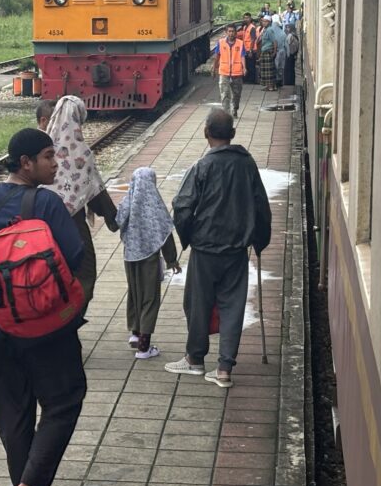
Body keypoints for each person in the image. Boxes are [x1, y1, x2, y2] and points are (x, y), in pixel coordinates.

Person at [0, 128, 86, 486]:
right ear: (26, 162)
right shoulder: (48, 204)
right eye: (49, 156)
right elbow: (74, 255)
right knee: (64, 401)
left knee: (13, 415)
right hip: (47, 328)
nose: (56, 163)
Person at [166, 109, 271, 388]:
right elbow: (261, 205)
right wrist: (260, 240)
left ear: (205, 133)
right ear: (233, 134)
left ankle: (195, 359)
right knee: (232, 306)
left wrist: (188, 237)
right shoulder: (247, 165)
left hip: (206, 248)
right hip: (236, 249)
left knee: (197, 303)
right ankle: (224, 369)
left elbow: (182, 206)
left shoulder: (202, 167)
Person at [46, 96, 119, 310]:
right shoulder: (80, 152)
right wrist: (114, 220)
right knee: (85, 272)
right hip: (73, 225)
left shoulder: (44, 146)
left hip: (43, 225)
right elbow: (94, 190)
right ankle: (72, 318)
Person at [118, 167, 181, 359]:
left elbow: (117, 221)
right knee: (150, 299)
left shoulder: (128, 201)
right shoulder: (155, 205)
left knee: (135, 295)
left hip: (130, 257)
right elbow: (165, 234)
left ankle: (135, 334)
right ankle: (144, 348)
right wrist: (171, 260)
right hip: (149, 259)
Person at [212, 24, 246, 118]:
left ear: (236, 33)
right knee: (225, 94)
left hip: (237, 72)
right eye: (229, 31)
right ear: (226, 32)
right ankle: (226, 113)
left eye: (233, 31)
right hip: (224, 72)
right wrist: (214, 68)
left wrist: (244, 67)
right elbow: (217, 56)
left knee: (236, 94)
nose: (231, 33)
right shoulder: (221, 42)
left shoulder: (240, 43)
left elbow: (242, 56)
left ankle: (235, 109)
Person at [237, 12, 259, 84]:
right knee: (246, 65)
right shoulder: (244, 27)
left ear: (250, 18)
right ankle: (246, 79)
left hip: (251, 50)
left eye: (247, 18)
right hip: (245, 49)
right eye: (245, 18)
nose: (246, 19)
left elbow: (252, 39)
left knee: (251, 65)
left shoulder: (252, 28)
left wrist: (250, 50)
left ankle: (251, 80)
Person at [258, 15, 277, 91]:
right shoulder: (265, 30)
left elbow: (274, 42)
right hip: (264, 51)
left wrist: (274, 52)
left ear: (269, 22)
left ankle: (270, 87)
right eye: (263, 21)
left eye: (265, 21)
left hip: (268, 52)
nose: (263, 23)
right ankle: (270, 85)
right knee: (266, 70)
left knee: (268, 70)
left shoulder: (269, 30)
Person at [269, 15, 287, 89]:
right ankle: (279, 81)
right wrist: (288, 54)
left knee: (274, 67)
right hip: (282, 52)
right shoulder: (282, 33)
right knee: (281, 67)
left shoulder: (269, 31)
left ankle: (274, 83)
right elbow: (286, 45)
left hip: (273, 52)